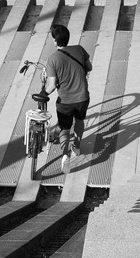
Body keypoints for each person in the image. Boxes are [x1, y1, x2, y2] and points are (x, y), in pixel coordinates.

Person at [43, 24, 92, 174]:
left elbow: (51, 86)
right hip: (83, 97)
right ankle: (76, 146)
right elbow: (89, 67)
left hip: (65, 102)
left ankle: (65, 155)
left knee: (64, 128)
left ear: (55, 41)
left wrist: (43, 93)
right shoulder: (79, 49)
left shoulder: (53, 59)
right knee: (79, 121)